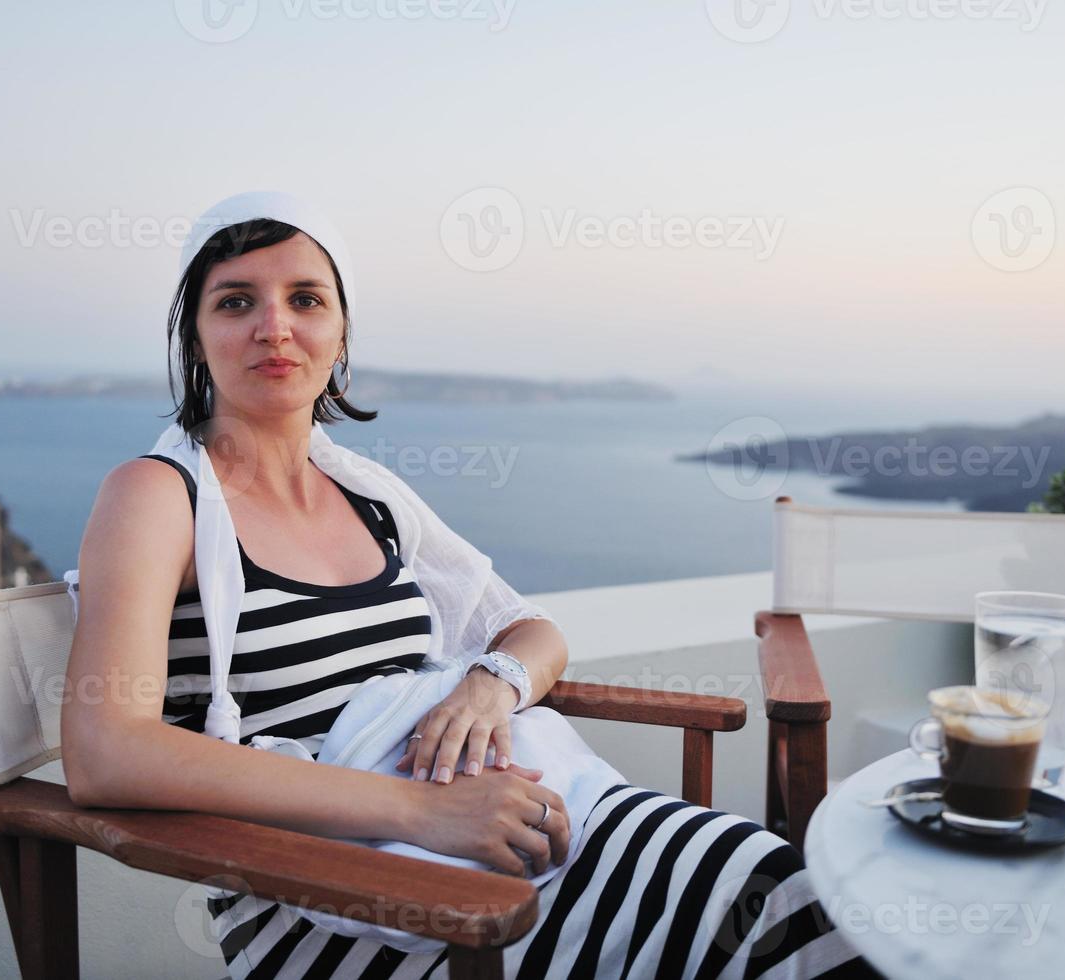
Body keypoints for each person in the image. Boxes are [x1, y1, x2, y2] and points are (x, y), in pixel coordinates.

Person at [61, 192, 873, 979]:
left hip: (491, 823)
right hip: (312, 886)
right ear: (196, 335)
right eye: (236, 302)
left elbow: (532, 632)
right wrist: (424, 814)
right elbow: (106, 751)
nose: (275, 326)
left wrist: (490, 687)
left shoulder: (368, 496)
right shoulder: (158, 495)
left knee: (778, 886)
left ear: (340, 332)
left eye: (305, 298)